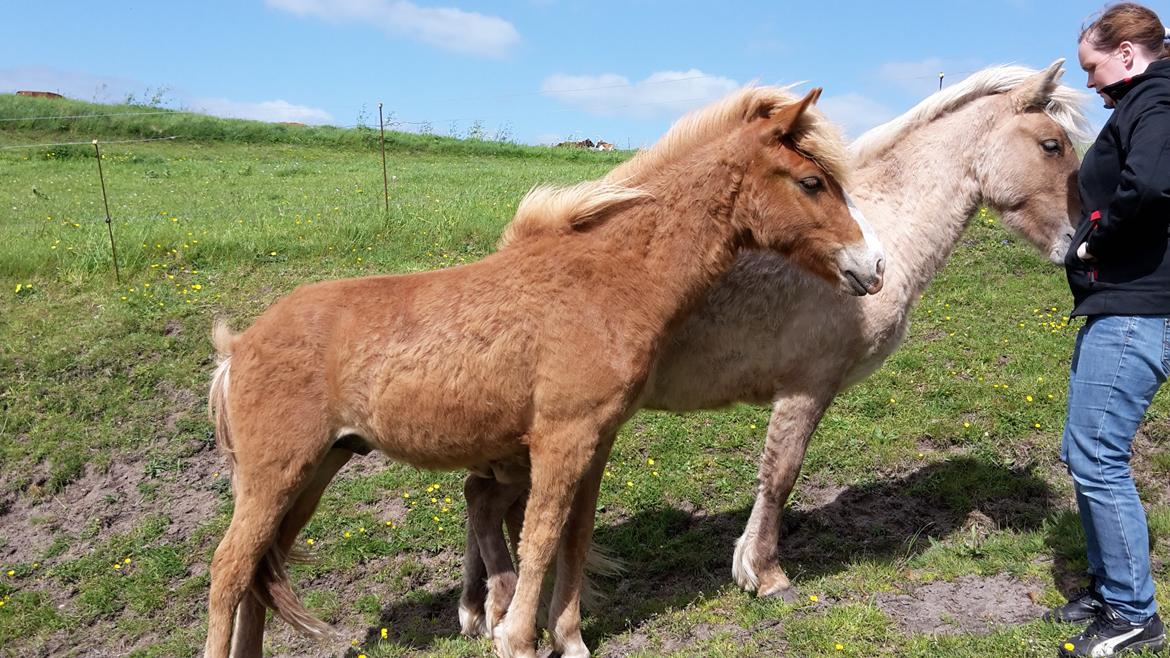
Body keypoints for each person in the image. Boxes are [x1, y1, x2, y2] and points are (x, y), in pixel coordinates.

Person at [1049, 3, 1170, 656]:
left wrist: (1097, 240)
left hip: (1136, 311)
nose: (1090, 83)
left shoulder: (1157, 98)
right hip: (1120, 308)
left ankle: (1133, 614)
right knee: (1084, 451)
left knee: (1097, 456)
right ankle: (1108, 590)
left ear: (1126, 53)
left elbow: (1148, 185)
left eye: (1093, 67)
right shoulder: (1144, 102)